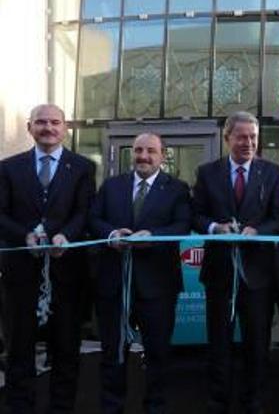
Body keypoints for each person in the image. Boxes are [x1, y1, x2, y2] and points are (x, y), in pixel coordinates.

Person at [0, 104, 96, 413]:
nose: (48, 128)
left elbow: (84, 211)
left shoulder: (82, 167)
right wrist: (23, 236)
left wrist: (65, 234)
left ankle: (61, 407)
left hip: (67, 274)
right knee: (18, 348)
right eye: (41, 122)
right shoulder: (7, 168)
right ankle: (19, 406)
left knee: (66, 349)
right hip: (20, 276)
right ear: (30, 128)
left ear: (65, 128)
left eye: (54, 122)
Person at [192, 111, 279, 414]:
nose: (248, 143)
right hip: (219, 272)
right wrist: (215, 228)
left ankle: (253, 402)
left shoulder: (272, 173)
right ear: (227, 138)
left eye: (253, 138)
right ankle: (218, 402)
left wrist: (258, 231)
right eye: (242, 137)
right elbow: (196, 214)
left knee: (257, 344)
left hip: (258, 275)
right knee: (218, 343)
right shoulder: (208, 172)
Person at [89, 132, 192, 414]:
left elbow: (183, 224)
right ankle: (112, 407)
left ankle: (155, 407)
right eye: (138, 150)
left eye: (150, 151)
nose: (143, 156)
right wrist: (111, 234)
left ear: (162, 155)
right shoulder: (112, 186)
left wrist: (154, 235)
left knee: (158, 354)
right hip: (114, 283)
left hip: (157, 285)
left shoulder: (177, 188)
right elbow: (93, 219)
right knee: (113, 352)